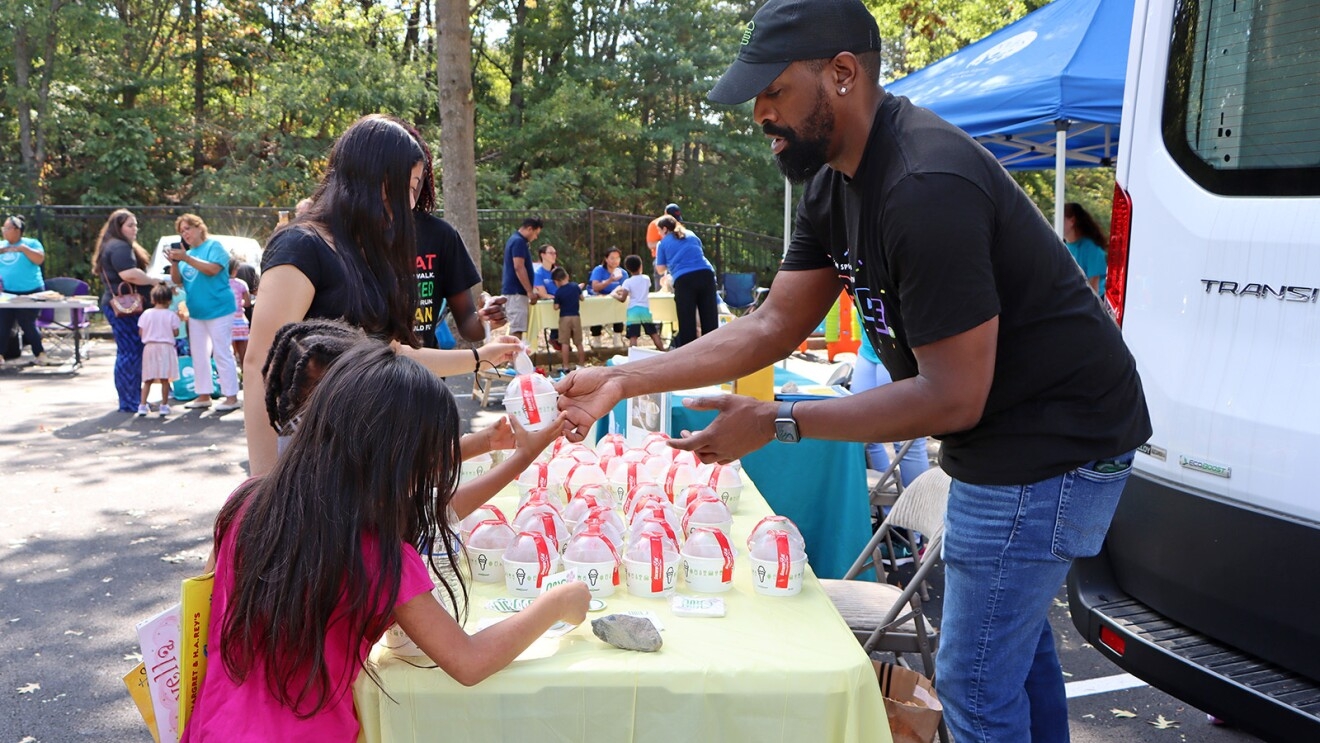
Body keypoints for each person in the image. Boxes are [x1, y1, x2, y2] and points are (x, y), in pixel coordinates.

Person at [556, 2, 1151, 741]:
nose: (759, 115)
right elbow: (773, 323)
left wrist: (778, 421)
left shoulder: (924, 184)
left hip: (1054, 443)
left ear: (841, 74)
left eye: (773, 92)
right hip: (1010, 439)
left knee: (971, 682)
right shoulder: (834, 186)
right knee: (1013, 656)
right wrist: (628, 377)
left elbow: (954, 396)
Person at [182, 341, 589, 742]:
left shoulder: (246, 503)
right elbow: (469, 661)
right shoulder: (379, 554)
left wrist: (519, 458)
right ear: (396, 465)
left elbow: (199, 611)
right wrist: (557, 602)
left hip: (211, 726)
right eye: (428, 458)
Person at [243, 114, 520, 476]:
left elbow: (391, 354)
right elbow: (260, 364)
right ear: (366, 178)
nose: (408, 204)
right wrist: (264, 482)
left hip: (368, 460)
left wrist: (481, 357)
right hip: (309, 465)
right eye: (402, 187)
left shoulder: (368, 256)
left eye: (415, 188)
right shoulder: (303, 246)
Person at [261, 318, 566, 512]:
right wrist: (523, 457)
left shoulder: (305, 459)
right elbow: (437, 511)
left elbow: (405, 470)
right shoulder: (341, 506)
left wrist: (485, 442)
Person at [404, 123, 506, 345]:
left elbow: (469, 327)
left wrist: (484, 319)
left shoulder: (440, 236)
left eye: (415, 184)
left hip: (426, 376)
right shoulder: (349, 235)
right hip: (368, 376)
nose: (408, 196)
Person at [169, 214, 241, 412]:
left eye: (188, 229)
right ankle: (203, 395)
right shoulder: (185, 257)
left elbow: (213, 270)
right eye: (182, 231)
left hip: (219, 309)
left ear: (199, 228)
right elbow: (177, 281)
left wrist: (186, 258)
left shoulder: (213, 246)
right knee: (198, 354)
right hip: (197, 312)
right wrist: (176, 262)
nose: (185, 234)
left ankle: (231, 396)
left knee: (221, 352)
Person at [92, 209, 162, 412]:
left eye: (136, 225)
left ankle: (134, 399)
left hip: (120, 306)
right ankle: (130, 401)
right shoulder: (120, 246)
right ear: (118, 227)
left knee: (131, 352)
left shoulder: (112, 245)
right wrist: (152, 281)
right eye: (130, 225)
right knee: (130, 352)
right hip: (124, 309)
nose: (135, 229)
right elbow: (129, 274)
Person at [654, 216, 717, 349]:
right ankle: (712, 351)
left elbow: (660, 269)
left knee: (687, 321)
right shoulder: (691, 234)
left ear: (665, 229)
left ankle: (689, 354)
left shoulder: (663, 243)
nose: (659, 234)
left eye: (659, 231)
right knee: (709, 318)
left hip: (684, 279)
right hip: (706, 274)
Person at [0, 215, 49, 367]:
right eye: (4, 228)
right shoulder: (1, 245)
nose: (4, 231)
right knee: (3, 323)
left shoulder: (32, 243)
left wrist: (23, 249)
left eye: (7, 228)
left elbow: (39, 259)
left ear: (17, 230)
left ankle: (40, 353)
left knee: (26, 322)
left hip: (31, 290)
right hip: (7, 292)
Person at [137, 283, 181, 417]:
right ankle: (164, 405)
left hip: (150, 347)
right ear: (169, 300)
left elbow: (140, 331)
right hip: (166, 348)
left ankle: (142, 405)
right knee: (164, 378)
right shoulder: (171, 315)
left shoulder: (146, 314)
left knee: (148, 379)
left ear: (153, 299)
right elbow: (176, 332)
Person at [501, 217, 543, 340]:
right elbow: (519, 267)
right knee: (517, 331)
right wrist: (529, 291)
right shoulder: (518, 242)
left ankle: (513, 358)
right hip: (516, 292)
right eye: (535, 233)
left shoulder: (517, 241)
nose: (535, 237)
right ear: (530, 229)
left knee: (518, 329)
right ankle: (510, 358)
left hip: (517, 292)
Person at [615, 254, 665, 349]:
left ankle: (633, 357)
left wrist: (615, 295)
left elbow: (623, 299)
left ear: (628, 268)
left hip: (633, 310)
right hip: (645, 309)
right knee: (653, 333)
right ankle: (663, 351)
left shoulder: (627, 282)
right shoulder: (646, 278)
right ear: (640, 266)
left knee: (633, 336)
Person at [1063, 202, 1108, 296]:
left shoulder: (1092, 249)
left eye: (1060, 219)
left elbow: (1094, 289)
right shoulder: (1062, 246)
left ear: (1072, 221)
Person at [587, 246, 626, 347]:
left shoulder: (623, 273)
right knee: (596, 310)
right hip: (600, 299)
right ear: (606, 259)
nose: (615, 261)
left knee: (619, 308)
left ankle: (617, 338)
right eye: (612, 258)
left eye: (617, 258)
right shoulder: (598, 270)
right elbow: (595, 287)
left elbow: (626, 288)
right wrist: (610, 280)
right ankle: (596, 338)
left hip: (615, 299)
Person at [552, 267, 585, 373]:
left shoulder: (559, 292)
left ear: (556, 281)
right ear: (567, 276)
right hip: (576, 316)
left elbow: (556, 307)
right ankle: (581, 364)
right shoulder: (575, 287)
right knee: (578, 342)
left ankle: (566, 366)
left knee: (564, 343)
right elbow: (582, 298)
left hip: (564, 317)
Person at [531, 244, 560, 349]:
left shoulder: (557, 270)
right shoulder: (538, 273)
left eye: (555, 253)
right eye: (551, 253)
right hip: (548, 304)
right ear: (542, 255)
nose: (554, 255)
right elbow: (542, 293)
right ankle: (554, 337)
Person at [229, 257, 251, 369]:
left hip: (227, 321)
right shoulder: (241, 284)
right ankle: (245, 375)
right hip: (240, 320)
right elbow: (247, 303)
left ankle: (233, 376)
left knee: (229, 353)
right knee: (244, 354)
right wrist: (241, 302)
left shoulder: (221, 284)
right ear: (235, 270)